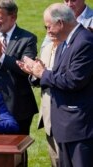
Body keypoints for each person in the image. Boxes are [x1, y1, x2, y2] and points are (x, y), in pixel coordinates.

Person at [17, 3, 93, 167]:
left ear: (60, 23)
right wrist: (36, 72)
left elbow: (74, 80)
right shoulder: (62, 43)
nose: (47, 31)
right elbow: (57, 75)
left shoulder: (84, 42)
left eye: (48, 26)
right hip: (63, 127)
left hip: (79, 128)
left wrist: (42, 73)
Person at [0, 0, 38, 166]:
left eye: (0, 17)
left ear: (13, 17)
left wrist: (2, 57)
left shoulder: (28, 38)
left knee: (17, 152)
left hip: (18, 106)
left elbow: (26, 69)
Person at [32, 37, 62, 166]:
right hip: (48, 114)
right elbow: (39, 77)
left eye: (51, 26)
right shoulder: (47, 47)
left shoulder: (72, 49)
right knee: (54, 159)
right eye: (46, 27)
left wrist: (43, 73)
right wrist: (33, 72)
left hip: (66, 114)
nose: (48, 31)